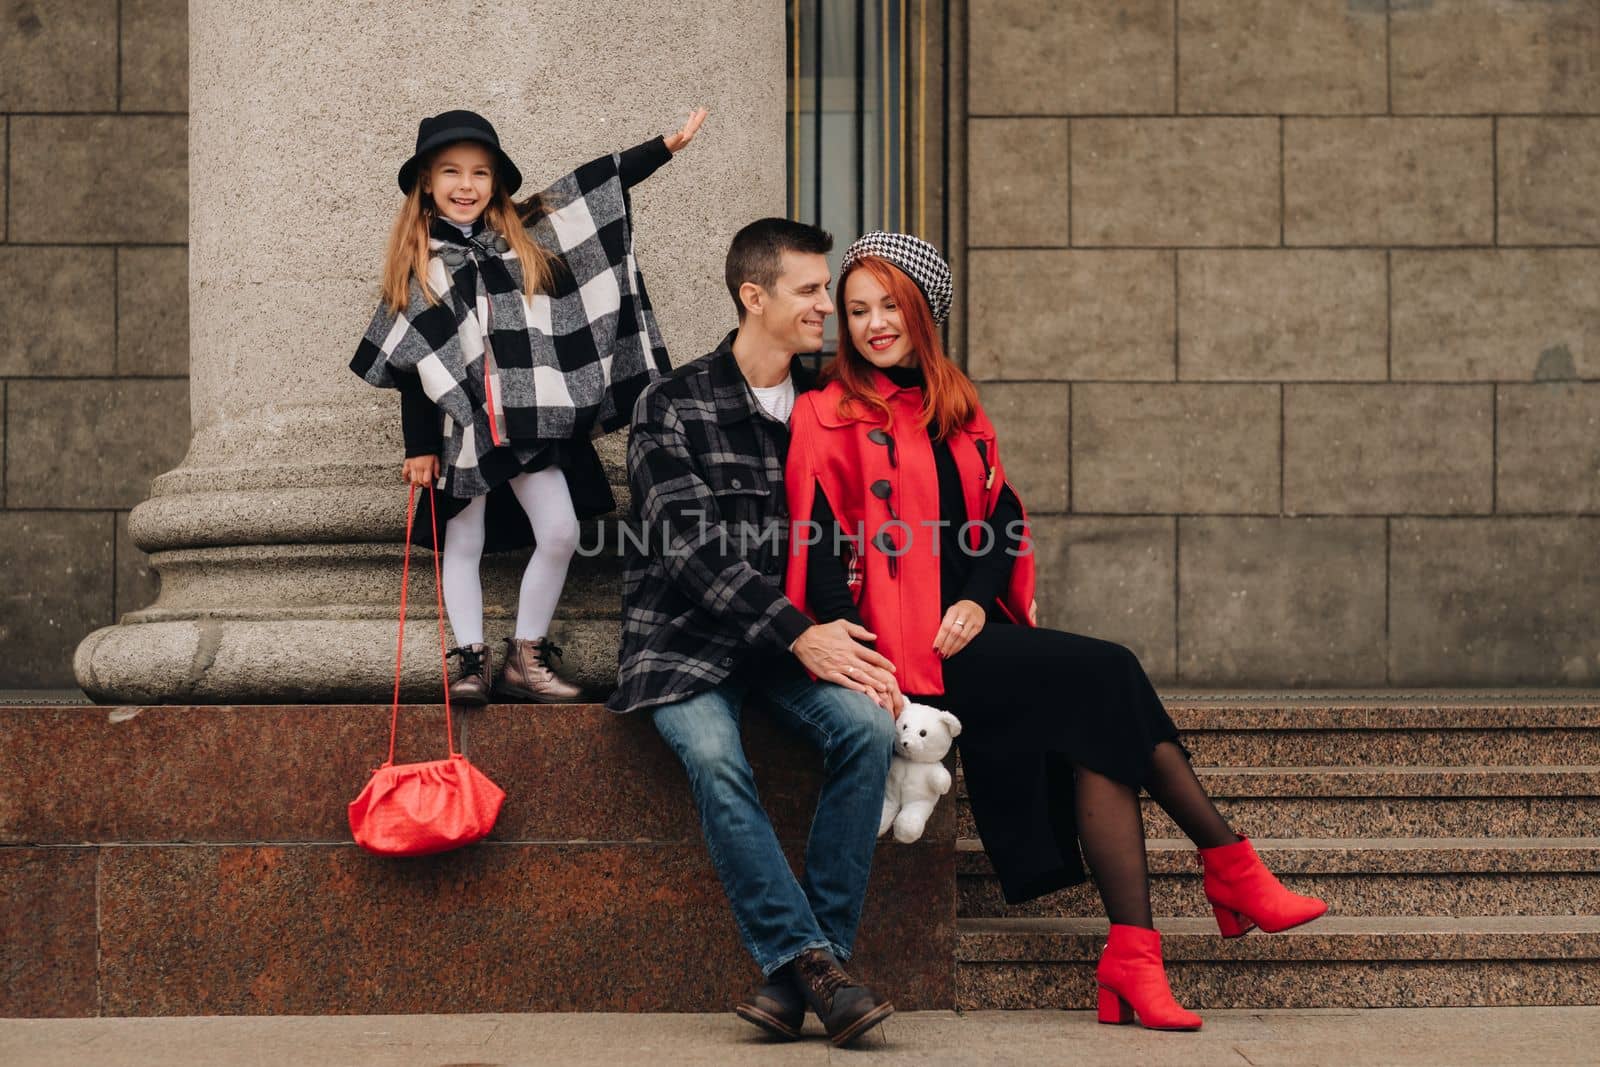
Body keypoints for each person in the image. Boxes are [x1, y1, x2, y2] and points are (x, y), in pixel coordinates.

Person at [783, 231, 1329, 1033]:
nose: (871, 324)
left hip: (959, 641)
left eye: (888, 305)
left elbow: (1000, 518)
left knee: (1096, 727)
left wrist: (975, 598)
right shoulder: (823, 413)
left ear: (924, 310)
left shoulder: (957, 408)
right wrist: (869, 665)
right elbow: (819, 544)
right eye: (857, 309)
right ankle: (1229, 866)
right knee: (1107, 673)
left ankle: (1136, 956)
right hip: (899, 660)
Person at [609, 218, 902, 1048]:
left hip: (789, 645)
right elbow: (687, 547)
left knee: (867, 730)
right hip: (683, 640)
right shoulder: (672, 403)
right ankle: (820, 964)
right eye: (811, 291)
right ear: (755, 296)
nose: (827, 309)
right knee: (712, 755)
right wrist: (801, 633)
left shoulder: (832, 406)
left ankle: (799, 973)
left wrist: (852, 639)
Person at [350, 107, 706, 704]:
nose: (466, 185)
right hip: (462, 431)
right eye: (451, 172)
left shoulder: (520, 239)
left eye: (481, 173)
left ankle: (525, 654)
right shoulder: (420, 270)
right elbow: (415, 365)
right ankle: (469, 660)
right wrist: (418, 449)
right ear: (428, 184)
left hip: (526, 422)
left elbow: (586, 196)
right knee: (462, 543)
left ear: (495, 183)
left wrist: (660, 149)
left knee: (561, 530)